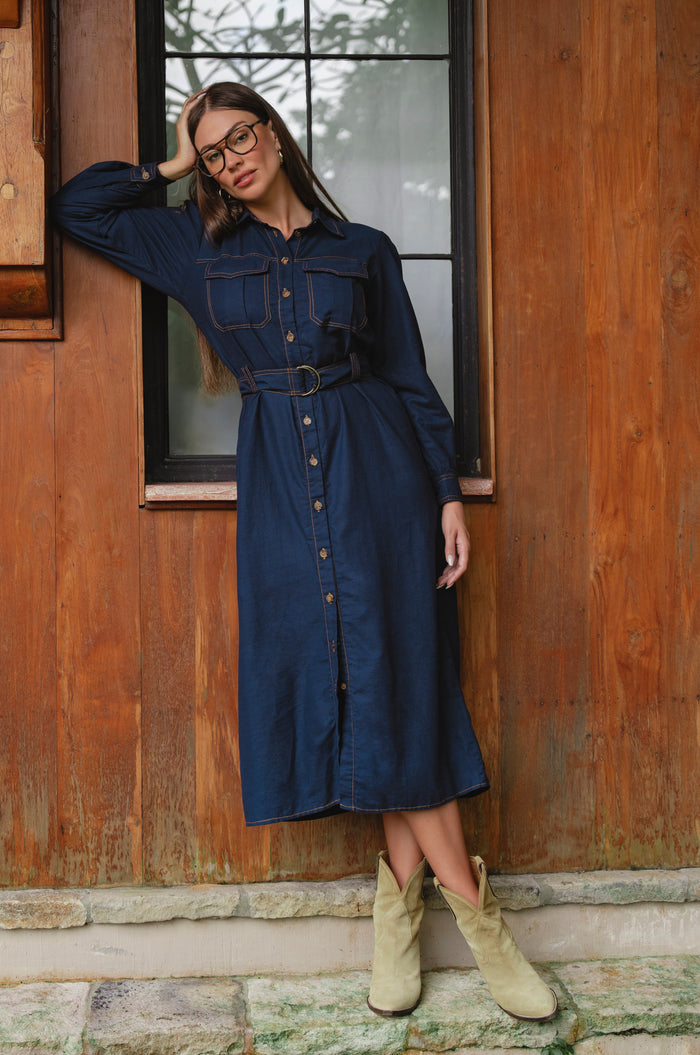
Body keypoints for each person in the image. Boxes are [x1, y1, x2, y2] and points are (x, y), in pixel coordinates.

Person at [50, 82, 557, 1023]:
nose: (231, 157)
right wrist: (165, 163)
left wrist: (447, 493)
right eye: (211, 153)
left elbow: (409, 378)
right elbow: (76, 206)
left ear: (275, 136)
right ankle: (451, 915)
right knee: (346, 675)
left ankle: (426, 921)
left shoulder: (361, 250)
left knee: (394, 672)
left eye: (240, 136)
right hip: (284, 480)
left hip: (381, 476)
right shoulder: (194, 249)